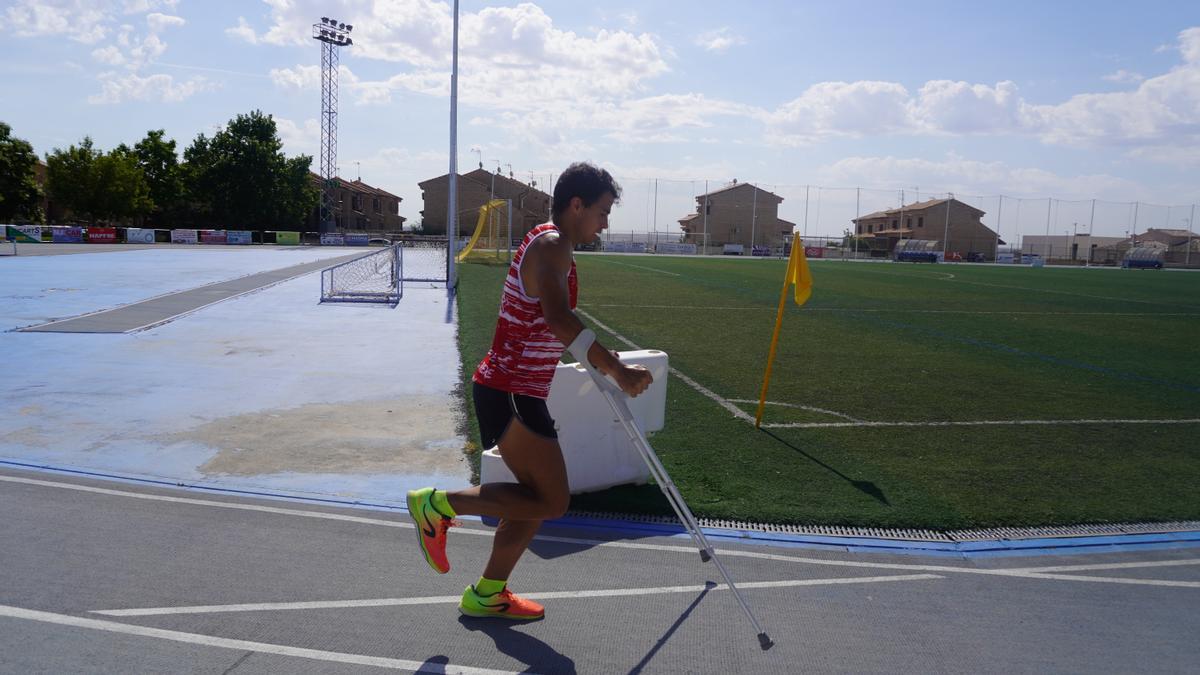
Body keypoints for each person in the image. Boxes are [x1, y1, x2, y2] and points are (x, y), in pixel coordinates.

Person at [407, 162, 653, 620]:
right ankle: (437, 504)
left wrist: (601, 358)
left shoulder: (548, 239)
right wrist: (616, 369)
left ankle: (487, 593)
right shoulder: (554, 245)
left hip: (516, 388)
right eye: (602, 212)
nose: (605, 223)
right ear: (576, 205)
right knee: (552, 499)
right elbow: (560, 321)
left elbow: (545, 325)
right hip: (510, 389)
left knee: (534, 502)